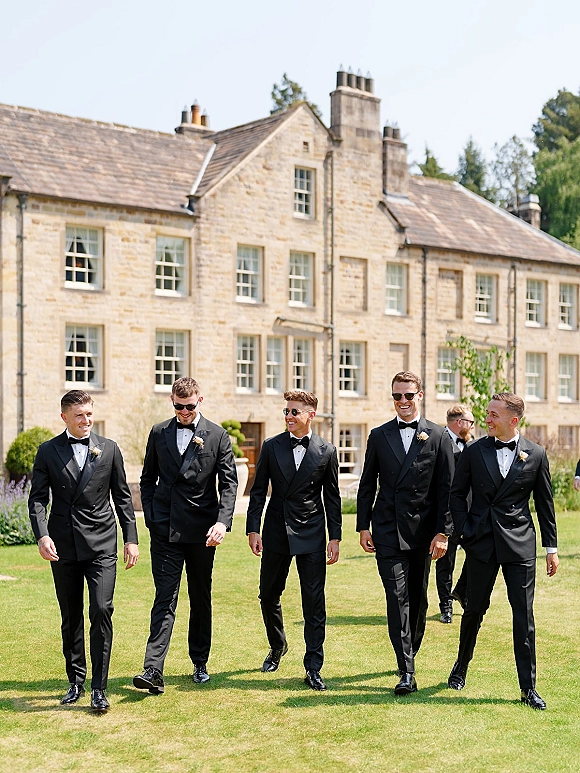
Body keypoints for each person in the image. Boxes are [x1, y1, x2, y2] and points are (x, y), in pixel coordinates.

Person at [28, 390, 138, 713]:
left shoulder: (109, 449)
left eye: (89, 414)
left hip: (102, 543)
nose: (86, 420)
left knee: (102, 610)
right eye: (79, 415)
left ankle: (99, 689)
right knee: (71, 616)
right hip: (63, 545)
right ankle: (76, 681)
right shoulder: (48, 451)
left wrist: (131, 538)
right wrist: (42, 536)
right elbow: (38, 499)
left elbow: (122, 497)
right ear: (64, 417)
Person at [447, 393, 558, 710]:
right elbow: (457, 494)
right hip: (481, 542)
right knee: (474, 610)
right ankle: (460, 667)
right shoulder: (474, 451)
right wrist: (465, 530)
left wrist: (551, 548)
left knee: (523, 615)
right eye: (487, 413)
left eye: (494, 415)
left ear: (514, 420)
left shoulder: (536, 454)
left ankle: (528, 688)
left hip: (519, 544)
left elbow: (545, 505)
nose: (487, 419)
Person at [133, 377, 237, 694]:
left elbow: (229, 484)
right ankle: (153, 669)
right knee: (164, 597)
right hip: (165, 529)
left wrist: (222, 523)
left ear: (199, 401)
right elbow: (147, 479)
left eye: (189, 406)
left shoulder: (217, 435)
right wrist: (152, 517)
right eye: (179, 407)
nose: (184, 412)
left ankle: (200, 662)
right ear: (172, 401)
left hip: (202, 531)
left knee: (200, 596)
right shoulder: (158, 432)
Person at [357, 371, 454, 695]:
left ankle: (409, 651)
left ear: (420, 396)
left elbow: (447, 490)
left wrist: (443, 533)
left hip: (423, 533)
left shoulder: (438, 436)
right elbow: (367, 484)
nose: (403, 401)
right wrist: (363, 526)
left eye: (408, 395)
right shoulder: (378, 435)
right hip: (387, 529)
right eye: (397, 396)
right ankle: (407, 670)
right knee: (396, 597)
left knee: (418, 599)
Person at [246, 391, 341, 692]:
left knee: (314, 602)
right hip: (276, 530)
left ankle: (313, 667)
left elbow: (333, 498)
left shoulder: (327, 450)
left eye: (294, 412)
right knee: (268, 594)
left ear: (311, 415)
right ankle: (278, 645)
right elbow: (258, 491)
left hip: (312, 532)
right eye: (286, 411)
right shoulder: (271, 446)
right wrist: (253, 529)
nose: (289, 416)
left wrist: (335, 537)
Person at [436, 405, 475, 623]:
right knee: (445, 562)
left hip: (469, 513)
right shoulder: (438, 441)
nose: (473, 426)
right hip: (446, 513)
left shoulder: (472, 443)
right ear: (459, 423)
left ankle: (461, 590)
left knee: (478, 555)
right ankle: (446, 606)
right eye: (470, 422)